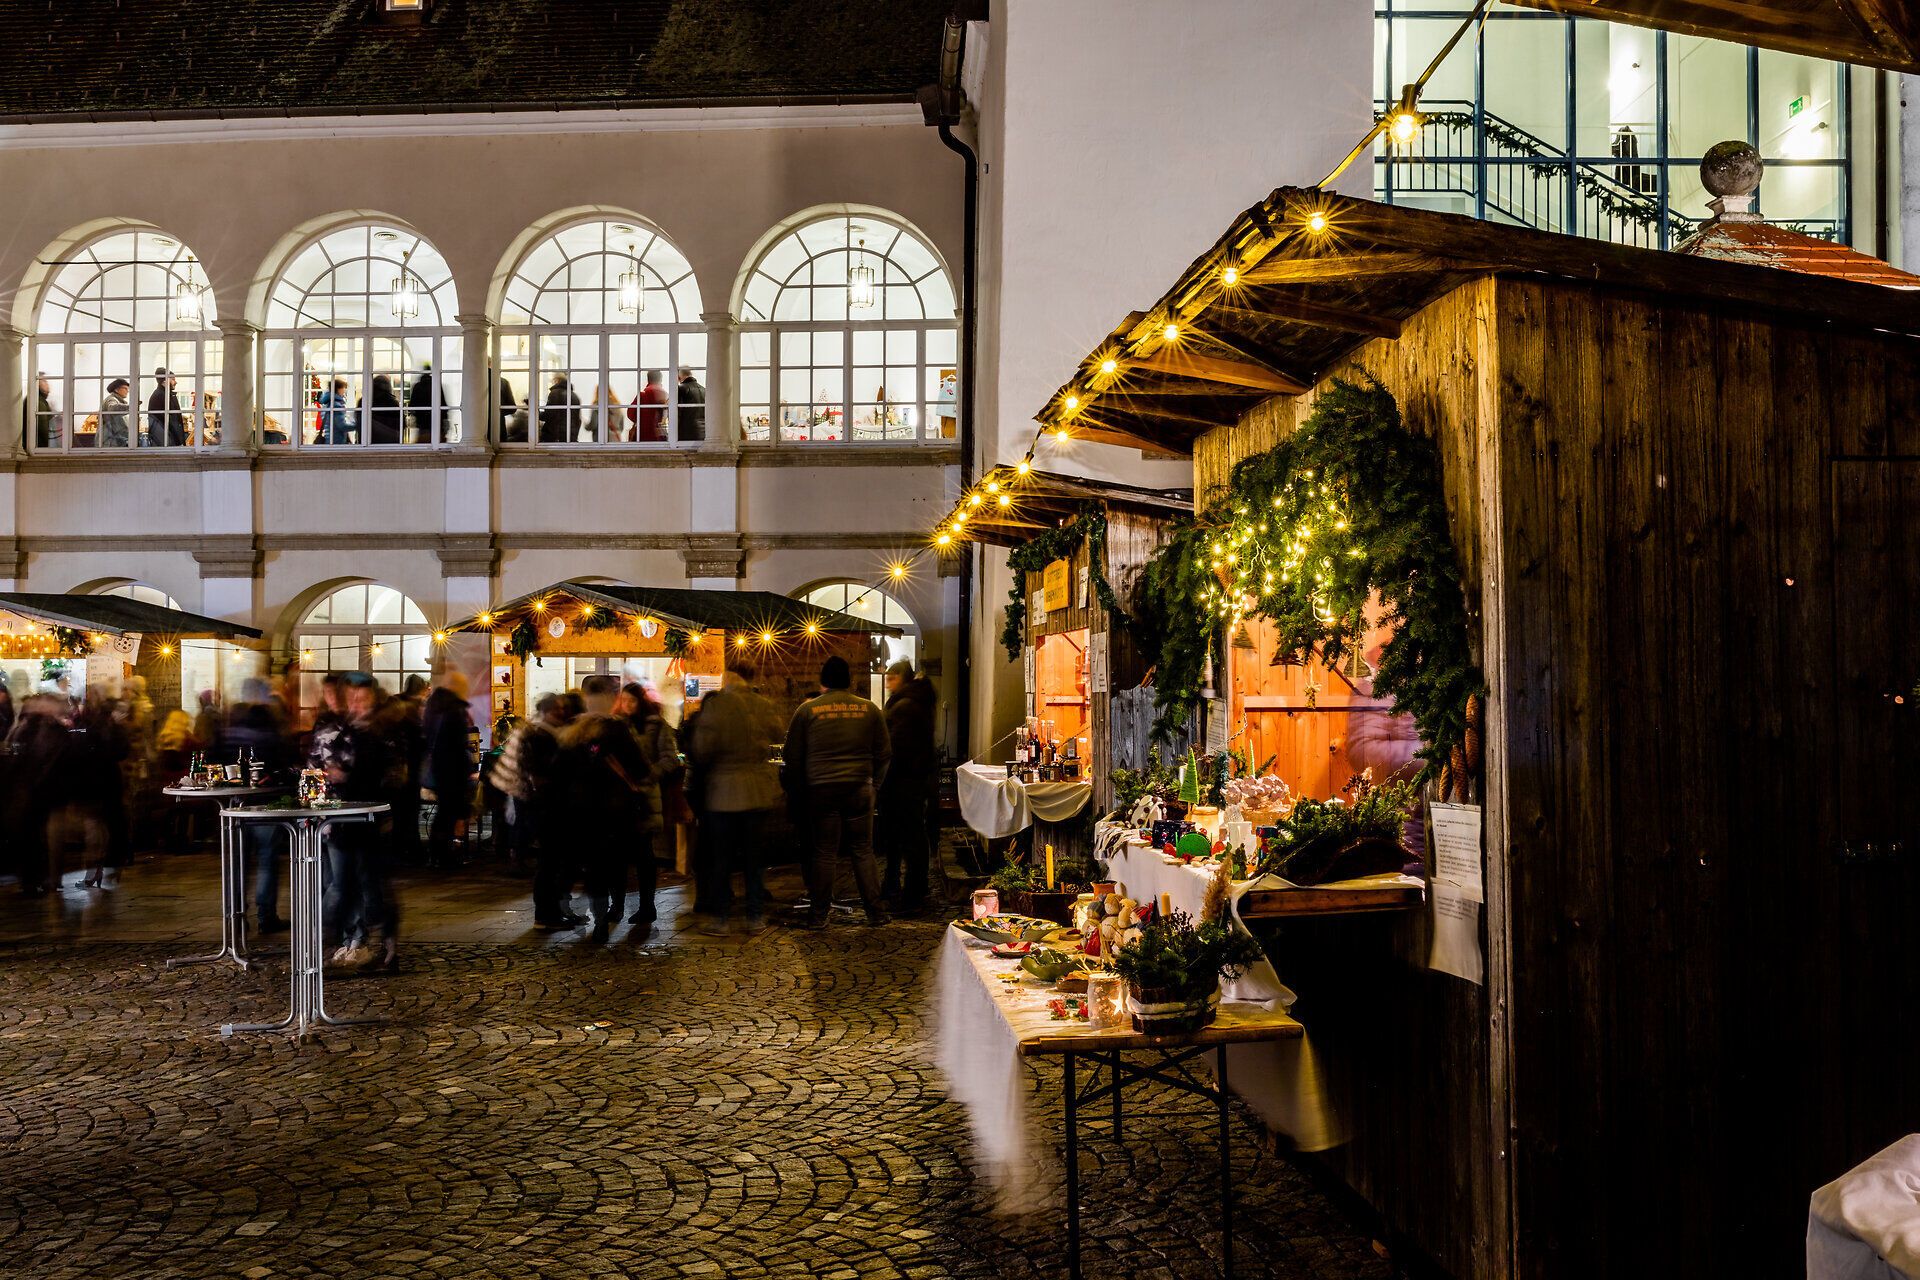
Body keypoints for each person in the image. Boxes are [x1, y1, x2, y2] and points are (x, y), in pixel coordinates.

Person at [783, 655, 891, 928]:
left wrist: (799, 790)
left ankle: (818, 915)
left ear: (823, 680)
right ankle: (876, 912)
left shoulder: (807, 711)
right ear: (850, 681)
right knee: (863, 850)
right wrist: (874, 785)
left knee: (824, 852)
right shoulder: (870, 710)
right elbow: (884, 753)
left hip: (821, 789)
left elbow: (791, 756)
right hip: (859, 788)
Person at [689, 658, 782, 933]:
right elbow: (777, 732)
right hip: (757, 790)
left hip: (723, 793)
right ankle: (755, 917)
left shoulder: (717, 705)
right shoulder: (762, 705)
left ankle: (721, 918)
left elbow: (702, 748)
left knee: (723, 859)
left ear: (729, 675)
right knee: (754, 859)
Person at [319, 675, 403, 971]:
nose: (356, 704)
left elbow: (386, 775)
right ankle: (349, 942)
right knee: (348, 884)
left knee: (372, 884)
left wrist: (345, 776)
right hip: (345, 821)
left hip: (372, 820)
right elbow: (328, 765)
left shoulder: (380, 732)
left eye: (362, 698)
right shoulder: (347, 730)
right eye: (352, 698)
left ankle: (380, 946)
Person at [557, 676, 649, 941]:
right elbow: (640, 767)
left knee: (593, 867)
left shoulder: (572, 730)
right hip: (614, 811)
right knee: (614, 862)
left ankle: (599, 918)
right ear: (610, 700)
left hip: (580, 811)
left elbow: (558, 772)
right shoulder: (617, 730)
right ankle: (611, 912)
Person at [878, 659, 940, 914]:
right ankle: (906, 887)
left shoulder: (905, 706)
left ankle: (910, 891)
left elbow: (896, 747)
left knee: (907, 836)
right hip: (914, 779)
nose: (888, 684)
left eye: (892, 679)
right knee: (909, 835)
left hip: (903, 781)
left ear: (901, 680)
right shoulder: (916, 702)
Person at [613, 681, 676, 931]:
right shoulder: (617, 726)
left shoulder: (655, 725)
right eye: (624, 700)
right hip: (619, 798)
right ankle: (616, 905)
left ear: (641, 702)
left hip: (644, 798)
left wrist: (648, 775)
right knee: (617, 855)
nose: (627, 705)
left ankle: (647, 906)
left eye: (632, 701)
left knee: (643, 855)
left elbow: (669, 758)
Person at [519, 692, 585, 929]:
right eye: (557, 709)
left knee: (557, 862)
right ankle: (545, 916)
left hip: (551, 807)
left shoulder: (550, 734)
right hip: (547, 808)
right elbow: (546, 774)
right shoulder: (541, 736)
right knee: (549, 863)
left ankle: (554, 912)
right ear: (546, 712)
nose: (562, 713)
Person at [421, 672, 476, 870]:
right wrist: (466, 767)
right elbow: (456, 744)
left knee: (445, 814)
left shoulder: (434, 707)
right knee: (448, 814)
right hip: (451, 771)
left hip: (440, 769)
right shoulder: (453, 709)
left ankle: (438, 854)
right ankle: (442, 856)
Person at [147, 367, 188, 447]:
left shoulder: (167, 395)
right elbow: (169, 422)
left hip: (170, 442)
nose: (175, 382)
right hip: (167, 443)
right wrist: (178, 442)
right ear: (164, 380)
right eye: (172, 379)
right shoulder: (160, 396)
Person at [364, 373, 403, 445]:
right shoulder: (392, 402)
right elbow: (400, 423)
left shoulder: (364, 401)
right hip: (389, 441)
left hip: (368, 440)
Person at [540, 374, 580, 443]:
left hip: (556, 436)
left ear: (557, 380)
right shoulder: (574, 395)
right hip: (571, 436)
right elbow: (577, 419)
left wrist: (535, 412)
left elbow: (548, 415)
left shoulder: (555, 393)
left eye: (552, 381)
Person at [316, 377, 357, 445]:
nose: (344, 390)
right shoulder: (336, 405)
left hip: (329, 440)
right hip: (337, 441)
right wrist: (358, 425)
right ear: (338, 389)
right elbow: (342, 426)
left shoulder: (327, 403)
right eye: (343, 388)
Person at [630, 369, 667, 442]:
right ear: (660, 379)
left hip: (641, 435)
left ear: (648, 379)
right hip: (659, 437)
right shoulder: (665, 395)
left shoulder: (642, 395)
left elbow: (630, 414)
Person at [407, 364, 440, 442]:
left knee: (423, 442)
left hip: (422, 420)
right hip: (435, 419)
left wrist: (415, 415)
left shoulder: (417, 386)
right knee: (435, 442)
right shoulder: (436, 385)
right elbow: (442, 403)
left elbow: (412, 405)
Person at [97, 378, 132, 448]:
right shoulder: (112, 399)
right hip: (110, 440)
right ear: (116, 389)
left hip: (112, 438)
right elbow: (112, 408)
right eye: (125, 388)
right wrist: (131, 407)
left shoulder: (114, 399)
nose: (127, 391)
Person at [31, 372, 61, 449]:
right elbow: (43, 429)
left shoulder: (41, 401)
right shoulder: (39, 403)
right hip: (41, 446)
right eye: (44, 381)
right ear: (37, 384)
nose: (47, 384)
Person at [676, 366, 706, 442]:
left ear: (679, 376)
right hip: (703, 431)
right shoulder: (704, 389)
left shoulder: (681, 388)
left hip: (686, 431)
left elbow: (677, 412)